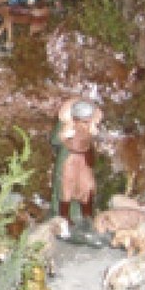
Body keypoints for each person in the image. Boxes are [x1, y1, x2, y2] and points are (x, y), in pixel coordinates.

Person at [50, 97, 102, 232]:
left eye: (87, 119)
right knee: (66, 188)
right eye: (82, 119)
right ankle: (64, 217)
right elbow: (55, 140)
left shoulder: (91, 125)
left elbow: (91, 141)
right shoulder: (66, 125)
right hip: (70, 159)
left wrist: (92, 133)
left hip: (83, 161)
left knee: (87, 187)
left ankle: (87, 216)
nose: (85, 122)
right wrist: (64, 135)